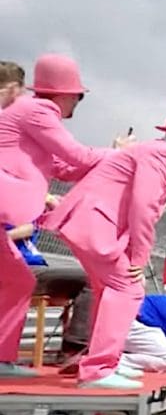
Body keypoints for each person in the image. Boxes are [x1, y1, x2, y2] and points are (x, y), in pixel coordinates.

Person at [40, 99, 166, 389]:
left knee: (108, 290)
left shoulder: (152, 152)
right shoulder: (162, 157)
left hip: (89, 222)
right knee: (128, 288)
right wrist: (138, 255)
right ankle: (98, 369)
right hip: (96, 226)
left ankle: (101, 364)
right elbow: (143, 206)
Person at [0, 54, 132, 378]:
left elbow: (64, 167)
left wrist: (108, 156)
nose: (78, 103)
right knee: (16, 280)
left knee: (18, 280)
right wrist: (118, 154)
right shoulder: (38, 110)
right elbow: (76, 155)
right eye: (80, 95)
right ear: (64, 93)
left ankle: (3, 359)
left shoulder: (28, 115)